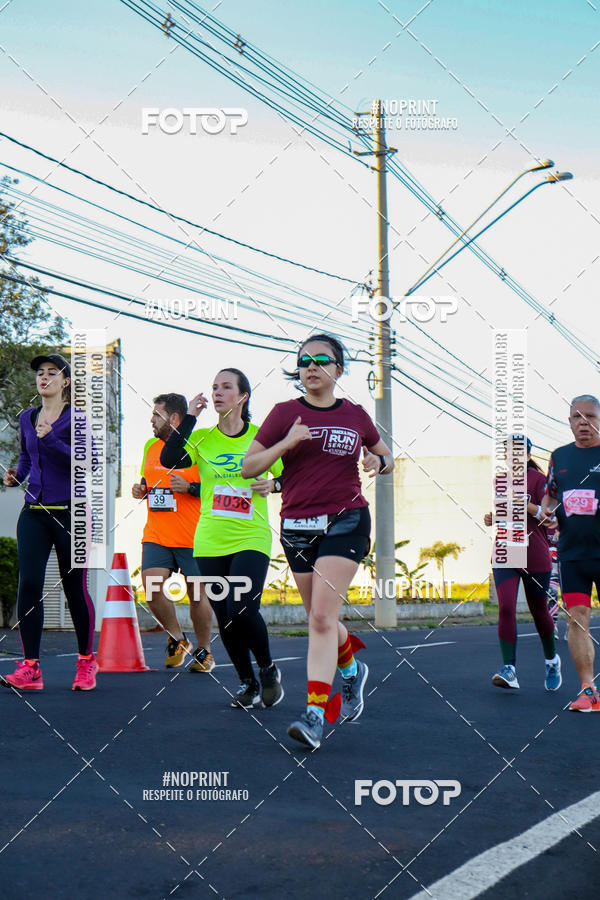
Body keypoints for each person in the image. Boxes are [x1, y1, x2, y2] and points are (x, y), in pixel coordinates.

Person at [242, 334, 394, 749]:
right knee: (320, 619)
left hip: (347, 520)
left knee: (322, 620)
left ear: (338, 370)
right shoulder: (284, 414)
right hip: (297, 524)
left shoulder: (356, 415)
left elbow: (388, 457)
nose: (311, 366)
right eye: (304, 360)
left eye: (321, 360)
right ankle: (351, 670)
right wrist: (287, 442)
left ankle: (313, 715)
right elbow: (248, 466)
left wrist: (376, 460)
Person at [160, 368, 284, 709]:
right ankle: (248, 683)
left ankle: (268, 669)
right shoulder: (202, 439)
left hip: (251, 535)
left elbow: (294, 478)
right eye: (214, 387)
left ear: (242, 396)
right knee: (225, 616)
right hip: (210, 540)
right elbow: (169, 458)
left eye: (226, 387)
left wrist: (275, 484)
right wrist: (190, 418)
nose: (217, 392)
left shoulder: (263, 439)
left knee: (242, 608)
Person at [1, 353, 97, 691]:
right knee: (29, 585)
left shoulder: (78, 419)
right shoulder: (28, 418)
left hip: (73, 512)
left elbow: (90, 463)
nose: (44, 378)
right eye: (40, 373)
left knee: (74, 589)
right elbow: (27, 456)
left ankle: (86, 661)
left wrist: (51, 439)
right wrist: (17, 475)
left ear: (65, 382)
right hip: (35, 512)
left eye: (52, 373)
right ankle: (31, 668)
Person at [132, 393, 214, 672]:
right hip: (157, 533)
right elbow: (149, 479)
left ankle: (205, 651)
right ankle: (178, 638)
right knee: (152, 588)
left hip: (194, 536)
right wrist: (140, 489)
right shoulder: (150, 446)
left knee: (198, 596)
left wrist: (190, 489)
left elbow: (219, 489)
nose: (151, 420)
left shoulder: (199, 447)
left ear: (175, 418)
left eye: (157, 415)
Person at [484, 437, 561, 692]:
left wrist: (522, 503)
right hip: (506, 550)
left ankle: (552, 661)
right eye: (508, 453)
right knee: (506, 607)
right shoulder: (500, 480)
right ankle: (509, 669)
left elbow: (547, 516)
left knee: (539, 611)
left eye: (518, 453)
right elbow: (506, 512)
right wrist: (492, 517)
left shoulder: (540, 481)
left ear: (527, 456)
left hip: (534, 553)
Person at [542, 395, 600, 712]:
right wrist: (548, 513)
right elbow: (550, 497)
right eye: (577, 417)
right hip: (572, 555)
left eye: (590, 416)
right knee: (577, 619)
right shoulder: (559, 456)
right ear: (569, 421)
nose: (583, 422)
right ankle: (588, 689)